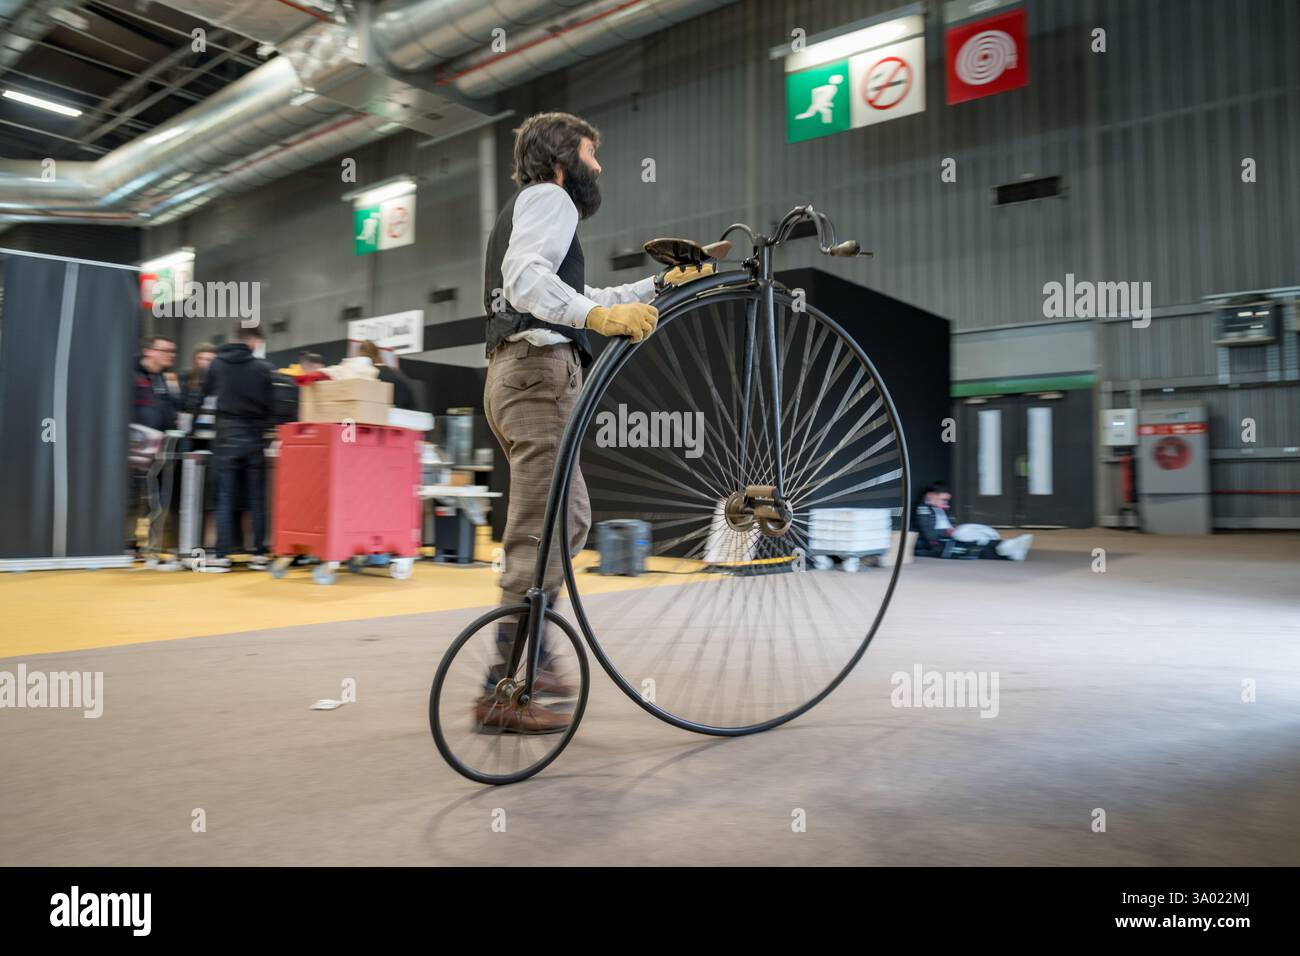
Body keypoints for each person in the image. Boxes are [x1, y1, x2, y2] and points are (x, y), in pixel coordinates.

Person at [478, 111, 712, 734]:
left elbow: (579, 298)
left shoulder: (532, 206)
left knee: (565, 517)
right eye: (591, 151)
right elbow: (527, 281)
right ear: (563, 157)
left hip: (518, 374)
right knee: (540, 526)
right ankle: (503, 685)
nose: (598, 165)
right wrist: (593, 320)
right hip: (538, 374)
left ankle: (537, 658)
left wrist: (658, 287)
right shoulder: (551, 197)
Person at [201, 325, 274, 571]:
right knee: (256, 498)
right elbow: (271, 406)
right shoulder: (262, 368)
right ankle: (260, 555)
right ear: (253, 341)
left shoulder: (217, 364)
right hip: (254, 437)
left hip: (226, 436)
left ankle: (221, 556)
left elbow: (202, 396)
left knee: (225, 497)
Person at [914, 482, 1033, 561]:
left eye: (947, 500)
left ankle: (1009, 548)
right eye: (943, 499)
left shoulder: (942, 509)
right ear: (931, 495)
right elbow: (930, 535)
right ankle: (1009, 551)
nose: (945, 503)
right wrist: (948, 532)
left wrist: (953, 530)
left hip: (952, 537)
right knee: (974, 548)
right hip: (940, 543)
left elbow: (951, 525)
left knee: (977, 535)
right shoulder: (923, 509)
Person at [358, 340, 418, 410]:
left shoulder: (370, 375)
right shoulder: (397, 372)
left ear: (361, 355)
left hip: (382, 415)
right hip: (405, 414)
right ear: (377, 353)